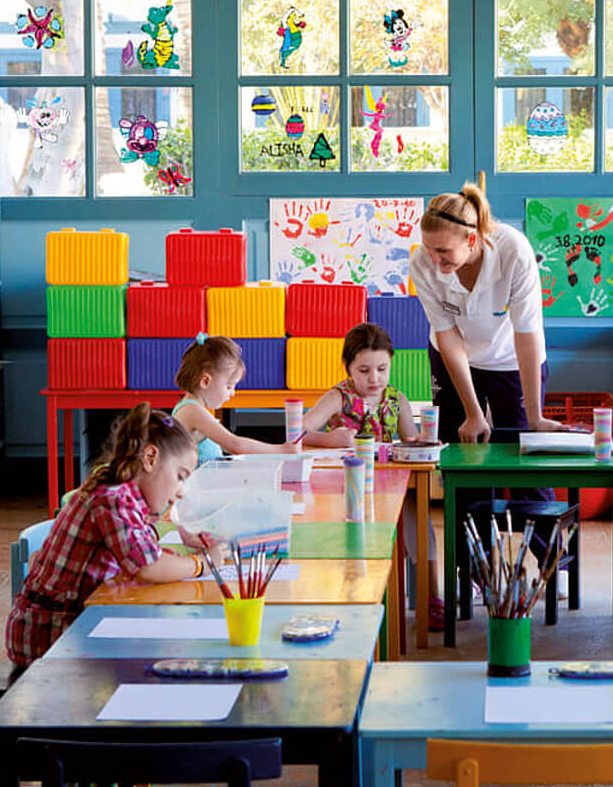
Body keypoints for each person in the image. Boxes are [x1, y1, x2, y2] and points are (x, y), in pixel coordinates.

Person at [4, 404, 226, 787]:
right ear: (150, 458)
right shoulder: (112, 498)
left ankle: (118, 777)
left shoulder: (122, 493)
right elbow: (147, 566)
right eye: (180, 478)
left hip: (72, 626)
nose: (180, 491)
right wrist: (202, 564)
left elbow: (145, 547)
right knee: (142, 671)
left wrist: (182, 539)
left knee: (144, 660)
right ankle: (91, 786)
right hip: (49, 641)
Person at [303, 323, 444, 631]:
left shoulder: (397, 400)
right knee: (355, 539)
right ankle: (352, 596)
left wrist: (425, 439)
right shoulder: (338, 397)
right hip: (347, 492)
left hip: (395, 487)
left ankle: (430, 597)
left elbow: (410, 440)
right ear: (348, 367)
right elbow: (296, 431)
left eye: (382, 369)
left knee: (420, 522)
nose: (374, 379)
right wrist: (331, 439)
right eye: (364, 370)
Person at [410, 184, 563, 445]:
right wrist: (473, 412)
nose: (434, 259)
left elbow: (526, 334)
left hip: (510, 358)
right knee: (461, 448)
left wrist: (535, 418)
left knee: (522, 451)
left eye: (443, 251)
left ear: (471, 240)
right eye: (428, 248)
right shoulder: (421, 263)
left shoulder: (513, 252)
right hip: (454, 358)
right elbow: (447, 334)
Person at [172, 334, 301, 462]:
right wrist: (282, 450)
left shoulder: (194, 408)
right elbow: (235, 445)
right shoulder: (192, 411)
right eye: (229, 386)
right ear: (205, 381)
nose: (232, 393)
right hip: (198, 482)